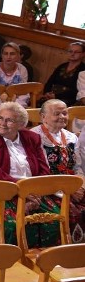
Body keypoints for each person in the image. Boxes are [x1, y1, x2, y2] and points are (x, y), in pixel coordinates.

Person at [0, 102, 51, 245]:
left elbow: (44, 169)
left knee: (53, 219)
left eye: (9, 120)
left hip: (33, 193)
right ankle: (12, 263)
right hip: (0, 192)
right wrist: (21, 190)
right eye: (0, 118)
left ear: (21, 124)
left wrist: (36, 191)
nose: (2, 123)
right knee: (12, 226)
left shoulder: (32, 138)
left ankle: (46, 262)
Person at [32, 99, 85, 243]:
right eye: (57, 113)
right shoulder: (34, 137)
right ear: (43, 117)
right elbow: (40, 172)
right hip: (48, 188)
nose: (62, 117)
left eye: (65, 113)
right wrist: (66, 190)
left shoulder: (71, 137)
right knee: (70, 212)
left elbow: (77, 167)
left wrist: (79, 186)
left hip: (73, 186)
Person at [42, 41, 85, 106]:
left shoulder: (83, 70)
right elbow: (49, 82)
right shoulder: (62, 66)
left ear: (83, 54)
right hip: (51, 96)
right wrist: (47, 93)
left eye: (76, 52)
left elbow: (76, 91)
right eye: (70, 51)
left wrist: (57, 96)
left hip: (69, 99)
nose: (72, 54)